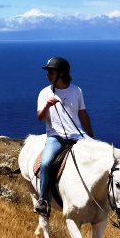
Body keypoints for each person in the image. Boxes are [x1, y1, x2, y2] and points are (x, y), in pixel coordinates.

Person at [34, 56, 94, 217]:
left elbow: (83, 115)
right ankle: (43, 201)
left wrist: (92, 139)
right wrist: (47, 105)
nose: (48, 76)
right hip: (56, 136)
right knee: (46, 163)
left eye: (51, 73)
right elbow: (41, 117)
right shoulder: (44, 93)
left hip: (78, 135)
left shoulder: (76, 91)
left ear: (61, 74)